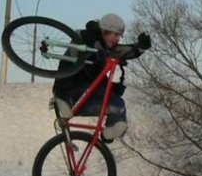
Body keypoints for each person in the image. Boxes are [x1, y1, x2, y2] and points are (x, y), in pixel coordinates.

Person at [52, 13, 151, 142]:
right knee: (116, 103)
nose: (117, 39)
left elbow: (121, 51)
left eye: (119, 36)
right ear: (105, 31)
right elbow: (81, 47)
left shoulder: (104, 46)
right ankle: (64, 100)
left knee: (118, 104)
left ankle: (110, 131)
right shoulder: (87, 37)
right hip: (71, 89)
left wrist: (140, 47)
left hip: (85, 94)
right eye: (115, 35)